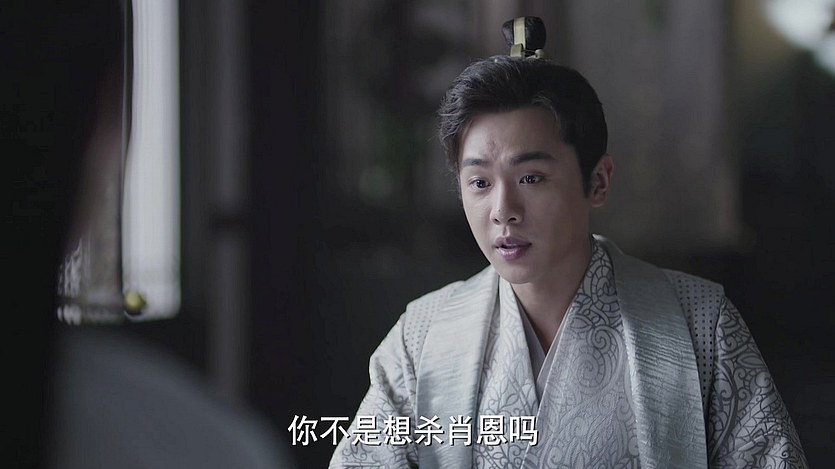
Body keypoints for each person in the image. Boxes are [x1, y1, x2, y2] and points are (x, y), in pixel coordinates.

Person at [330, 17, 807, 468]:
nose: (503, 209)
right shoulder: (422, 336)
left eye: (531, 177)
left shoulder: (700, 322)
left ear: (597, 181)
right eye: (479, 183)